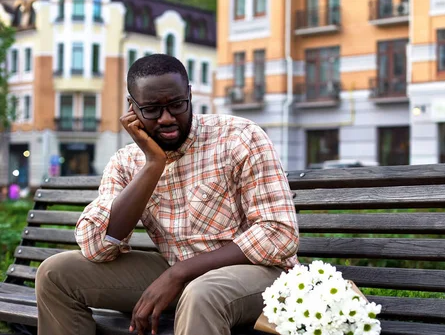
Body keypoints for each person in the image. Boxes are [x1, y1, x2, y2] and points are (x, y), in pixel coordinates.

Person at [35, 54, 299, 335]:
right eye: (151, 109)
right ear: (132, 109)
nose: (166, 118)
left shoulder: (240, 137)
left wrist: (179, 273)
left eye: (176, 105)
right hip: (178, 273)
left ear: (189, 95)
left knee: (202, 292)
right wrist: (152, 164)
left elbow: (278, 233)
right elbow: (96, 247)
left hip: (259, 275)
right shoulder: (126, 162)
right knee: (56, 273)